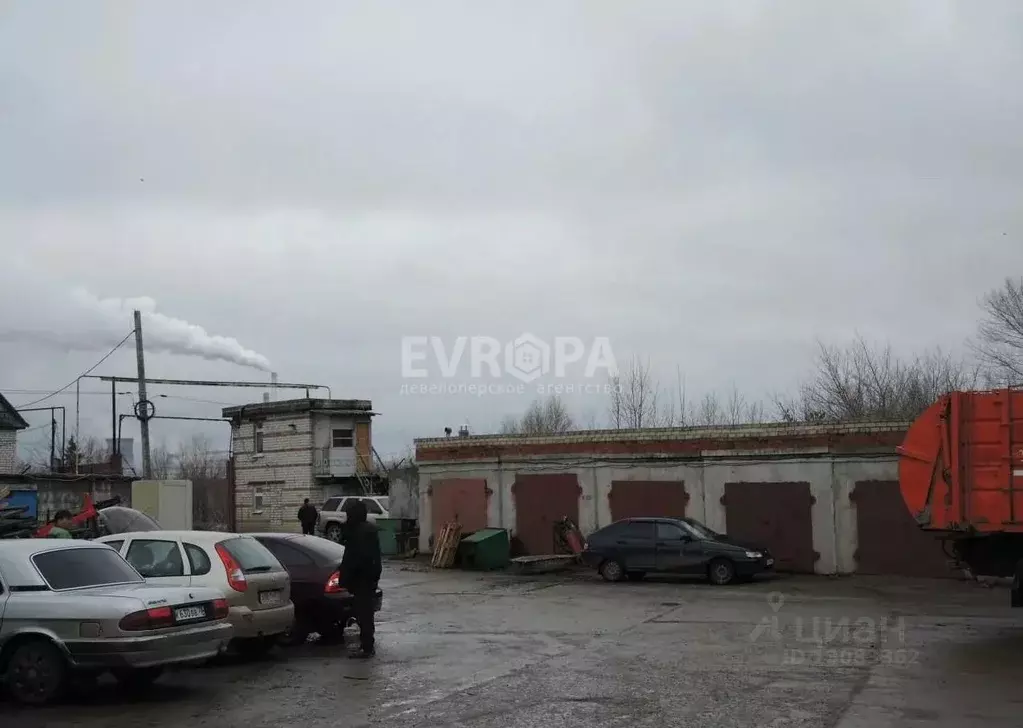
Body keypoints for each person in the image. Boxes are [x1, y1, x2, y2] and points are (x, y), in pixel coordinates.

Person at [338, 498, 381, 658]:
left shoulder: (357, 532)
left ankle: (367, 647)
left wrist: (347, 576)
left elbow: (354, 558)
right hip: (369, 578)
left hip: (361, 579)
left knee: (364, 614)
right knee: (366, 614)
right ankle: (367, 645)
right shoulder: (368, 530)